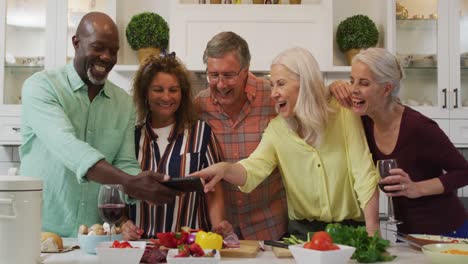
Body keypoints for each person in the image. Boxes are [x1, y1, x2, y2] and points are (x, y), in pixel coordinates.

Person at [193, 47, 381, 239]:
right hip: (302, 235)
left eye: (280, 84)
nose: (273, 93)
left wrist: (373, 232)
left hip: (351, 231)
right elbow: (253, 169)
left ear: (305, 83)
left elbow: (364, 174)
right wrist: (224, 169)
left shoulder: (343, 112)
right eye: (272, 85)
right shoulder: (277, 129)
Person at [20, 12, 176, 237]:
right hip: (38, 233)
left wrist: (147, 186)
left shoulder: (123, 103)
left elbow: (124, 162)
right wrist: (130, 183)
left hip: (93, 237)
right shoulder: (42, 87)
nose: (106, 57)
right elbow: (69, 148)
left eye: (113, 50)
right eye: (98, 47)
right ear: (76, 43)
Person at [329, 47, 468, 237]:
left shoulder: (419, 127)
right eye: (351, 81)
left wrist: (416, 188)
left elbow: (464, 172)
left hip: (447, 231)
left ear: (387, 88)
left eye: (364, 83)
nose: (353, 89)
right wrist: (331, 87)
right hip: (408, 234)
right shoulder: (363, 123)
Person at [120, 54, 232, 239]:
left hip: (189, 247)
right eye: (158, 89)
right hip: (141, 245)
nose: (166, 97)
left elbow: (213, 188)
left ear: (183, 93)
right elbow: (118, 189)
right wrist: (124, 224)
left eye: (173, 90)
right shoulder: (130, 136)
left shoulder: (201, 133)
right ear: (145, 92)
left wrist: (218, 225)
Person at [194, 31, 288, 240]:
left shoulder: (272, 96)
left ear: (245, 71)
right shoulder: (199, 105)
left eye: (228, 75)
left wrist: (336, 88)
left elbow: (309, 102)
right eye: (213, 75)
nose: (220, 84)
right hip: (221, 231)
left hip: (270, 226)